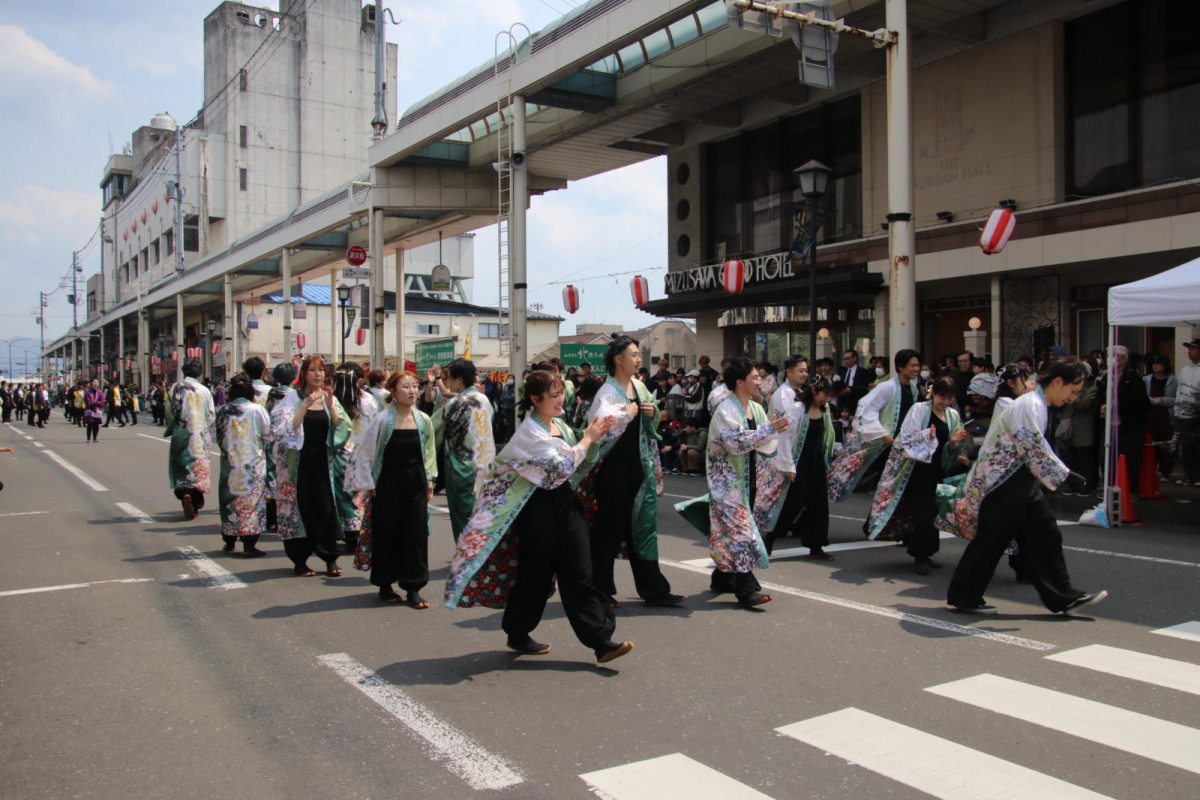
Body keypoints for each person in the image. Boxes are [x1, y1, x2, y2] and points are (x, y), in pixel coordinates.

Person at [444, 370, 632, 663]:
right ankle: (517, 631)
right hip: (537, 509)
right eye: (553, 394)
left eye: (561, 393)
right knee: (536, 575)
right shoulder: (529, 434)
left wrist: (596, 437)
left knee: (580, 572)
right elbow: (560, 467)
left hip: (566, 504)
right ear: (535, 399)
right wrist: (587, 439)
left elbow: (579, 465)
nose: (560, 400)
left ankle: (601, 641)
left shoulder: (558, 424)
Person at [945, 358, 1107, 616]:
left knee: (1023, 537)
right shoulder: (1030, 403)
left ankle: (967, 594)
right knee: (1010, 538)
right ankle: (1060, 597)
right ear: (1057, 382)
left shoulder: (1035, 403)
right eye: (1073, 390)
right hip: (1005, 481)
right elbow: (1030, 444)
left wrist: (1061, 473)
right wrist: (1064, 474)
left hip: (1013, 481)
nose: (1072, 397)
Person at [582, 335, 684, 608]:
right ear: (618, 359)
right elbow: (601, 425)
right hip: (614, 469)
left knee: (645, 528)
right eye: (634, 354)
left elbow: (656, 412)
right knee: (609, 529)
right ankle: (599, 589)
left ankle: (654, 589)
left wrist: (651, 411)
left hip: (640, 467)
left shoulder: (639, 386)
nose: (639, 359)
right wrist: (626, 413)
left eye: (638, 355)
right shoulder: (608, 391)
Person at [701, 357, 789, 607]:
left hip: (748, 479)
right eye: (755, 377)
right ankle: (747, 590)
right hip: (726, 483)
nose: (759, 381)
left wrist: (773, 431)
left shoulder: (756, 407)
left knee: (732, 531)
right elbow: (734, 442)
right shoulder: (725, 410)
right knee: (742, 534)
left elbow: (764, 442)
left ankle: (722, 577)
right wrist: (768, 431)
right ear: (740, 382)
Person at [346, 370, 437, 608]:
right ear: (393, 392)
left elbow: (428, 451)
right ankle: (385, 584)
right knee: (387, 532)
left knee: (416, 534)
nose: (412, 391)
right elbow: (366, 451)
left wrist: (429, 479)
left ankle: (413, 587)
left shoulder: (423, 419)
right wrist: (368, 482)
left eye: (414, 386)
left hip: (415, 480)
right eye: (405, 387)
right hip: (387, 481)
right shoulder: (382, 420)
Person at [867, 376, 965, 573]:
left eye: (949, 399)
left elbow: (953, 445)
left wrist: (954, 443)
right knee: (923, 514)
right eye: (942, 398)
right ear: (933, 394)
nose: (945, 402)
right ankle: (919, 554)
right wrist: (925, 435)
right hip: (917, 470)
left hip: (939, 470)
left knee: (935, 514)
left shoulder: (953, 415)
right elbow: (907, 437)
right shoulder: (919, 410)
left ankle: (928, 552)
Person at [271, 355, 352, 577]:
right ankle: (300, 559)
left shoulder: (330, 398)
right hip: (297, 467)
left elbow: (343, 429)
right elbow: (284, 430)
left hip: (324, 465)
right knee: (300, 510)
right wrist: (306, 405)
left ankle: (329, 557)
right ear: (303, 374)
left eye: (321, 370)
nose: (318, 374)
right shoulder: (291, 399)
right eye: (312, 370)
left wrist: (330, 407)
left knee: (325, 510)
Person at [828, 349, 922, 503]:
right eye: (913, 365)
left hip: (901, 444)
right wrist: (882, 433)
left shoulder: (912, 388)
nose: (916, 369)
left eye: (917, 365)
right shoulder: (887, 387)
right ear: (900, 366)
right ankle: (876, 523)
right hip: (886, 444)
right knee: (887, 488)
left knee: (895, 490)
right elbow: (866, 408)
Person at [760, 375, 836, 558]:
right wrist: (787, 465)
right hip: (799, 461)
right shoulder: (797, 408)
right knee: (791, 502)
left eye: (829, 396)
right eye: (824, 395)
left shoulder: (824, 409)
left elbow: (826, 436)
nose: (827, 400)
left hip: (817, 462)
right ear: (814, 391)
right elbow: (786, 437)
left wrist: (828, 461)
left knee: (818, 504)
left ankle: (816, 546)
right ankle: (770, 538)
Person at [214, 374, 270, 557]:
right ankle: (249, 541)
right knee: (251, 501)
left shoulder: (222, 410)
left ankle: (229, 539)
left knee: (228, 499)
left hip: (230, 462)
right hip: (251, 463)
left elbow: (219, 436)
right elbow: (267, 432)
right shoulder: (256, 409)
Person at [441, 358, 496, 541]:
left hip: (462, 466)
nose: (447, 382)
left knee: (463, 514)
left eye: (448, 377)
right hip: (486, 462)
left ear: (458, 379)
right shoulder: (483, 399)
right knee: (482, 512)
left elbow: (440, 432)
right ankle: (481, 556)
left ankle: (466, 558)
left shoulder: (456, 403)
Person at [333, 362, 379, 555]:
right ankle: (360, 535)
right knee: (360, 496)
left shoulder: (334, 399)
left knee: (342, 496)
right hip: (363, 453)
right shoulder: (367, 400)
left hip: (340, 452)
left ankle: (348, 534)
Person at [164, 360, 216, 519]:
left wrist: (172, 426)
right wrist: (206, 430)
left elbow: (169, 411)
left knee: (182, 465)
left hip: (181, 431)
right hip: (200, 434)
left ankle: (184, 493)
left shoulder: (175, 387)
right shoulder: (205, 390)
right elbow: (211, 414)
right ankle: (196, 502)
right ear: (200, 373)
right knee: (198, 468)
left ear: (184, 371)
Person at [1098, 345, 1150, 492]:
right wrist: (1102, 405)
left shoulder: (1132, 376)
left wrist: (1115, 407)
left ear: (1122, 358)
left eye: (1113, 355)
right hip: (1109, 424)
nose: (1110, 359)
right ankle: (1109, 485)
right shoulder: (1107, 377)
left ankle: (1129, 488)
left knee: (1129, 458)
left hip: (1128, 424)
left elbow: (1138, 400)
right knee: (1108, 456)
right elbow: (1100, 394)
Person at [264, 362, 296, 532]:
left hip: (272, 438)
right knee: (288, 475)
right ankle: (286, 515)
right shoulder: (295, 395)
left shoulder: (272, 395)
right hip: (289, 438)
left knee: (271, 475)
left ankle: (270, 518)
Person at [1060, 361, 1099, 494]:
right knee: (1071, 457)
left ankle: (1088, 484)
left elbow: (1085, 404)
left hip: (1084, 427)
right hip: (1070, 426)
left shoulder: (1093, 387)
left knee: (1085, 459)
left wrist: (1074, 397)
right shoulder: (1071, 386)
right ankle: (1074, 484)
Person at [1144, 355, 1177, 481]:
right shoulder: (1146, 380)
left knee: (1165, 442)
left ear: (1165, 366)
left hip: (1166, 415)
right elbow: (1143, 397)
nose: (1155, 365)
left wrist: (1162, 401)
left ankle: (1165, 471)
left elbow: (1177, 399)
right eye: (1153, 363)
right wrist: (1153, 401)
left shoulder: (1173, 381)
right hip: (1150, 415)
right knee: (1149, 441)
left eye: (1158, 363)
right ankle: (1149, 469)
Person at [1176, 339, 1200, 486]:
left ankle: (1197, 476)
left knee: (1197, 447)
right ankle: (1189, 475)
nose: (1190, 351)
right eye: (1189, 349)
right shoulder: (1185, 369)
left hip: (1197, 414)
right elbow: (1180, 391)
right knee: (1186, 447)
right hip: (1184, 414)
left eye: (1193, 349)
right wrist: (1177, 410)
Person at [837, 350, 873, 418]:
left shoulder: (863, 372)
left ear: (854, 358)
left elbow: (866, 389)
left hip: (858, 405)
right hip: (845, 408)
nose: (845, 361)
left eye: (847, 358)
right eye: (844, 359)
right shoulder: (843, 372)